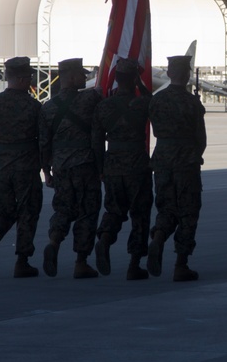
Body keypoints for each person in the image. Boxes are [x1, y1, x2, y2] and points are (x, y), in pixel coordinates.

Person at [0, 56, 43, 278]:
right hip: (26, 165)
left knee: (1, 207)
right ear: (24, 78)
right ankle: (22, 261)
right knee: (28, 210)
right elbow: (42, 140)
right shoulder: (34, 107)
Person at [40, 58, 103, 279]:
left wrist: (47, 171)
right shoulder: (89, 100)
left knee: (64, 208)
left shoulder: (48, 107)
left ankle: (54, 242)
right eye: (80, 74)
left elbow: (44, 143)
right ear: (70, 76)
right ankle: (81, 262)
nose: (85, 78)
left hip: (61, 167)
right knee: (87, 211)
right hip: (85, 165)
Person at [92, 58, 153, 280]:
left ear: (117, 80)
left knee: (114, 210)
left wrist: (101, 168)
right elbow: (153, 103)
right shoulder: (142, 103)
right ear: (134, 79)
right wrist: (141, 85)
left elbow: (96, 141)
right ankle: (134, 264)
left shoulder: (103, 107)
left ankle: (105, 240)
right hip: (137, 164)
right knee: (140, 214)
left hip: (112, 165)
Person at [147, 55, 207, 281]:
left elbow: (154, 130)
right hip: (186, 161)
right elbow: (201, 139)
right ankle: (181, 264)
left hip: (162, 159)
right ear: (188, 74)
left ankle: (159, 237)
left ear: (170, 74)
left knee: (166, 207)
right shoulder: (192, 103)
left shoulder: (157, 100)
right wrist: (192, 154)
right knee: (188, 211)